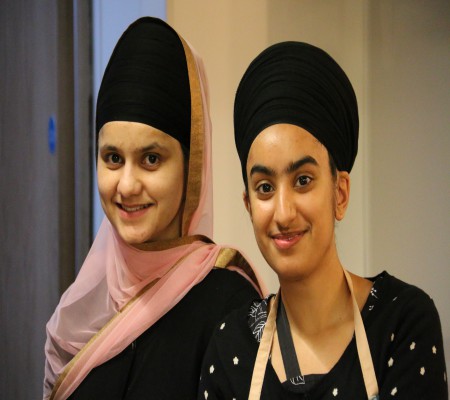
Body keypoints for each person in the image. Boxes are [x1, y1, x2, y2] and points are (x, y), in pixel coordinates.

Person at [198, 41, 448, 399]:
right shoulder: (231, 348)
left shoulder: (401, 323)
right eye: (265, 187)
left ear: (340, 193)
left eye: (303, 180)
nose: (284, 213)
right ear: (249, 205)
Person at [43, 17, 263, 400]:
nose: (127, 186)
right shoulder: (80, 309)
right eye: (113, 158)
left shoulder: (230, 305)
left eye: (151, 159)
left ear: (191, 168)